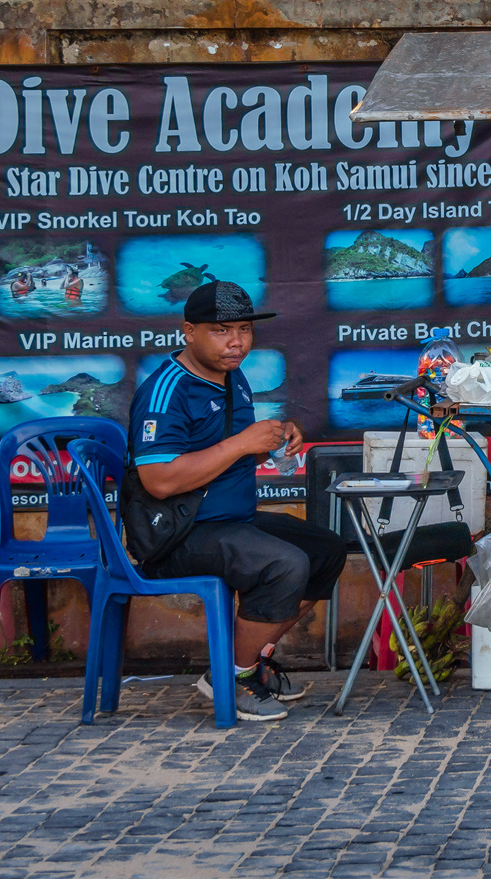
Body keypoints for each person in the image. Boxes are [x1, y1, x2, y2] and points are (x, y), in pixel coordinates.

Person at [128, 280, 345, 721]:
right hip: (178, 533)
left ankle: (244, 663)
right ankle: (239, 677)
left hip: (229, 521)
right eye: (221, 331)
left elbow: (223, 450)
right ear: (189, 331)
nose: (236, 342)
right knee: (284, 563)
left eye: (244, 330)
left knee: (327, 551)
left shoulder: (233, 377)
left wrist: (272, 444)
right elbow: (159, 481)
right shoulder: (167, 390)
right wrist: (243, 444)